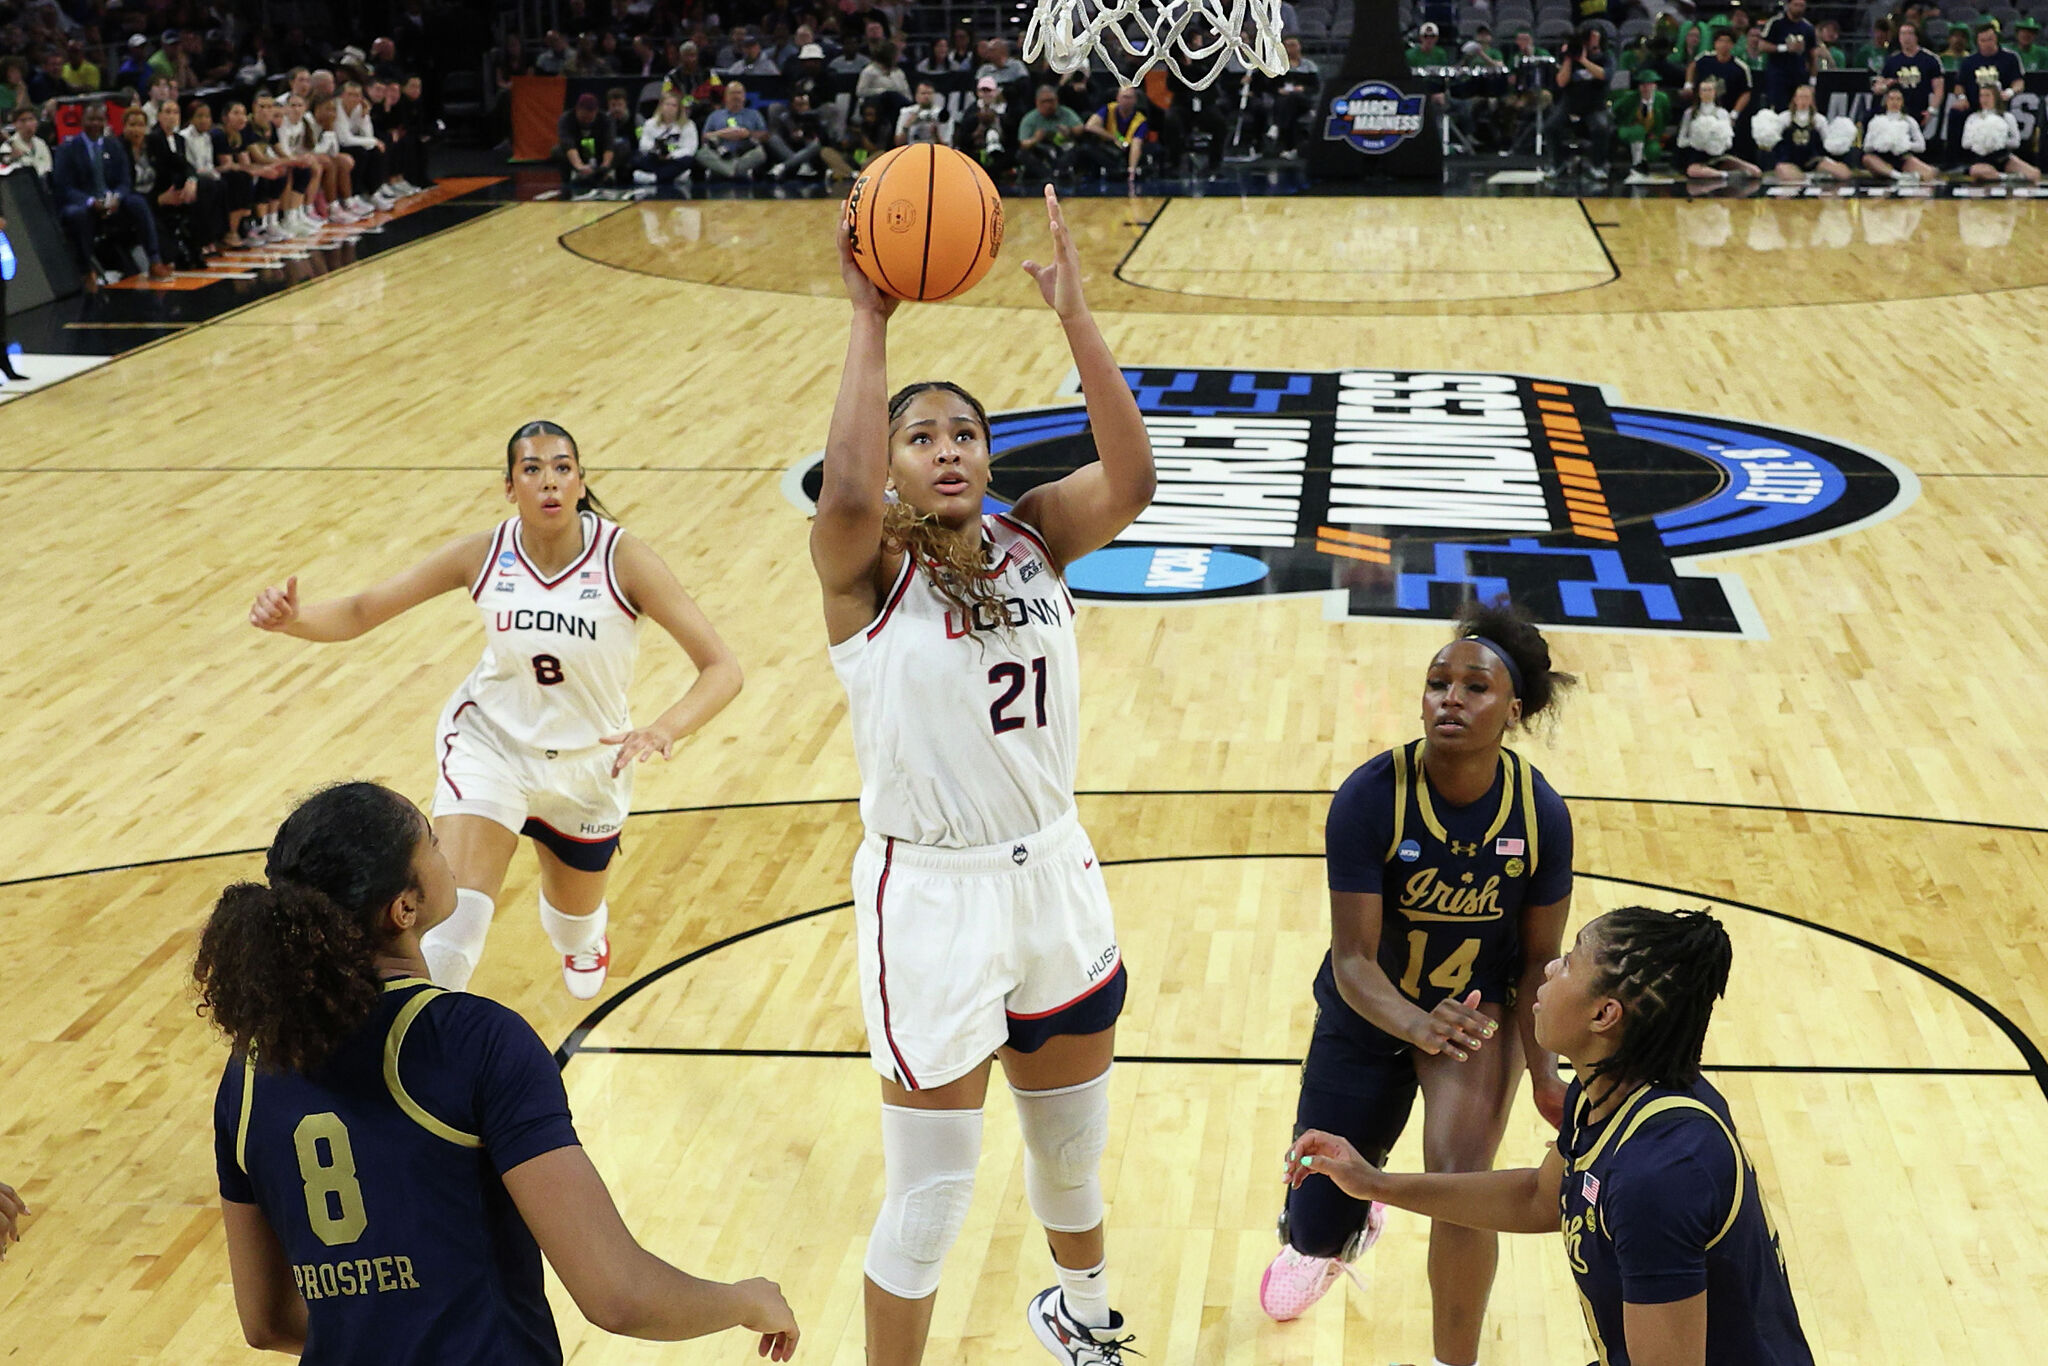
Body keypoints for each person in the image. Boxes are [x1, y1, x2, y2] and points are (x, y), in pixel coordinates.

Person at [813, 186, 1156, 1366]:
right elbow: (847, 492)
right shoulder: (859, 570)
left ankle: (1085, 1315)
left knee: (1069, 1148)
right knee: (932, 1193)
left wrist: (1074, 316)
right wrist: (869, 317)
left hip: (1051, 871)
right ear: (894, 464)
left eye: (964, 432)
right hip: (933, 897)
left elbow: (1133, 476)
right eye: (921, 436)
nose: (947, 448)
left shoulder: (1035, 535)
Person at [196, 782, 799, 1362]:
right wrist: (745, 1300)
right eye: (430, 842)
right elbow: (617, 1296)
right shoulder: (475, 1041)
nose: (445, 853)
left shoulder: (249, 1071)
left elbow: (267, 1321)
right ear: (403, 908)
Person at [247, 423, 742, 999]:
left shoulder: (624, 559)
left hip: (589, 763)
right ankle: (419, 1045)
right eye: (532, 469)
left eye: (562, 467)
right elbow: (363, 610)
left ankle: (584, 940)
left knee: (572, 924)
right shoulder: (484, 554)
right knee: (454, 932)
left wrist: (663, 727)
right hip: (492, 744)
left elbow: (722, 669)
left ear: (581, 482)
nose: (549, 481)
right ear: (510, 486)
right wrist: (294, 621)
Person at [1286, 907, 1815, 1366]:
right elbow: (1539, 1198)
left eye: (1571, 961)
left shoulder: (1660, 1175)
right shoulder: (1608, 1093)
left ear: (1604, 1015)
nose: (1549, 968)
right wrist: (1373, 1183)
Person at [1258, 602, 1575, 1365]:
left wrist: (1543, 1069)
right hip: (1370, 1012)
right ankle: (1334, 1234)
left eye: (1474, 687)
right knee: (1314, 1219)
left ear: (1514, 708)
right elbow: (1354, 961)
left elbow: (1539, 960)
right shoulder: (1372, 797)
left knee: (1463, 1188)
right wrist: (1413, 1024)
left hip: (1475, 1018)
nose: (1450, 700)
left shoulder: (1540, 814)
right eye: (1438, 683)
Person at [51, 102, 174, 289]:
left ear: (106, 122)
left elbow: (124, 181)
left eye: (99, 119)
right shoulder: (68, 149)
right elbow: (64, 187)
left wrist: (116, 197)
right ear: (82, 121)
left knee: (137, 202)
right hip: (83, 203)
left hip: (111, 201)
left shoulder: (113, 146)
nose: (95, 123)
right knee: (77, 215)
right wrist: (91, 202)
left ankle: (155, 261)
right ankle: (86, 272)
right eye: (91, 119)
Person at [1548, 24, 1614, 177]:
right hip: (1570, 102)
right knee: (1551, 126)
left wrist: (1583, 60)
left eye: (1595, 38)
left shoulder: (1606, 56)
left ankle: (1598, 165)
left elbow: (1604, 75)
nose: (1591, 41)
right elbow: (1561, 82)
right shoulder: (1572, 54)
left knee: (1601, 127)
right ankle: (1557, 164)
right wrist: (1569, 59)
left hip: (1595, 104)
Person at [1673, 77, 1762, 177]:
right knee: (1693, 171)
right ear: (1699, 93)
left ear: (1715, 92)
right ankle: (1725, 175)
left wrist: (1716, 143)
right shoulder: (1690, 113)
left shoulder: (1722, 113)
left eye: (1710, 90)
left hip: (1718, 155)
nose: (1707, 93)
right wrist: (1697, 142)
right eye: (1704, 90)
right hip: (1696, 155)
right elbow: (1680, 141)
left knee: (1755, 171)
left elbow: (1728, 142)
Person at [1765, 83, 1852, 181]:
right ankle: (1803, 179)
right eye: (1800, 97)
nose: (1803, 101)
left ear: (1811, 100)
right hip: (1789, 161)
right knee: (1786, 173)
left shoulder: (1819, 120)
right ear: (1795, 99)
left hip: (1813, 160)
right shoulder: (1784, 118)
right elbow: (1772, 141)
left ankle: (1809, 177)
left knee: (1844, 174)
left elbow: (1828, 144)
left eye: (1806, 97)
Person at [1878, 21, 1944, 138]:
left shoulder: (1930, 59)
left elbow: (1938, 89)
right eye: (1902, 34)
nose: (1906, 38)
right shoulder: (1892, 60)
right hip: (1896, 109)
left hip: (1920, 109)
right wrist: (1885, 85)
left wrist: (1931, 110)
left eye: (1910, 34)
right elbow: (1879, 86)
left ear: (1917, 36)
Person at [1961, 84, 2039, 181]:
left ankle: (2002, 175)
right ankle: (2006, 177)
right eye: (1981, 96)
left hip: (2004, 158)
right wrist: (1981, 140)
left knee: (2034, 174)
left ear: (1996, 97)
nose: (1984, 99)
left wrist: (1999, 141)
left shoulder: (2007, 117)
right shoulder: (1973, 118)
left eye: (1988, 95)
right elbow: (1965, 143)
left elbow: (2016, 142)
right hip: (1983, 160)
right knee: (1976, 172)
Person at [1862, 83, 1939, 178]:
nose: (1895, 102)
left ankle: (1906, 175)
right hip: (1880, 159)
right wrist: (1881, 144)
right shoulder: (1876, 120)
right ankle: (1898, 176)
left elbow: (1921, 146)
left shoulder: (1909, 120)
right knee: (1867, 159)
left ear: (1902, 102)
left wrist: (1904, 144)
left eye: (1898, 99)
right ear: (1886, 101)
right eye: (1891, 99)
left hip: (1901, 158)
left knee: (1931, 172)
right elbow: (1866, 147)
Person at [697, 81, 769, 179]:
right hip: (721, 155)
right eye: (732, 93)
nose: (736, 96)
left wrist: (748, 134)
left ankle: (725, 171)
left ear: (744, 96)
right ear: (725, 97)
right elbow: (704, 137)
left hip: (745, 155)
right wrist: (721, 133)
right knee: (701, 153)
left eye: (739, 93)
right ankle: (734, 172)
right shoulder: (715, 115)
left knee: (760, 153)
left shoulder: (754, 114)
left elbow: (765, 135)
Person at [1757, 0, 1818, 109]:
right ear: (1789, 5)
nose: (1798, 8)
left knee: (1800, 109)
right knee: (1779, 108)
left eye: (1801, 5)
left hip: (1799, 75)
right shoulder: (1776, 22)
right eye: (1796, 5)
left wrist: (1813, 81)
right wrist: (1785, 48)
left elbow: (1813, 55)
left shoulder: (1808, 27)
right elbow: (1762, 45)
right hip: (1778, 76)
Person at [1077, 86, 1148, 179]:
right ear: (1117, 98)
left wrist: (1132, 170)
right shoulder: (1109, 109)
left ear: (1135, 100)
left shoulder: (1140, 120)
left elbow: (1136, 145)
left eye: (1129, 97)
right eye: (1124, 97)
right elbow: (1090, 126)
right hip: (1109, 148)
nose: (1126, 100)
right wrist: (1113, 138)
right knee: (1086, 148)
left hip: (1126, 152)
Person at [1018, 84, 1084, 182]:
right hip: (1042, 153)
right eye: (1044, 102)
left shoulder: (1065, 113)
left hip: (1062, 150)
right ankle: (1048, 176)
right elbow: (1023, 143)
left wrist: (1069, 131)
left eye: (1051, 101)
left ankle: (1061, 173)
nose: (1048, 105)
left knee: (1080, 149)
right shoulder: (1029, 119)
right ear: (1037, 102)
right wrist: (1036, 139)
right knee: (1022, 154)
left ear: (1057, 100)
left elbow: (1080, 128)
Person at [634, 91, 699, 188]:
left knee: (689, 160)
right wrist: (657, 151)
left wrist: (671, 155)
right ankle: (673, 176)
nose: (670, 108)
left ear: (679, 109)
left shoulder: (688, 125)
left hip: (676, 159)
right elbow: (643, 144)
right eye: (667, 104)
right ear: (661, 106)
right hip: (656, 157)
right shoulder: (650, 123)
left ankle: (654, 178)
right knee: (636, 158)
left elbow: (690, 149)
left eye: (674, 105)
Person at [555, 92, 616, 190]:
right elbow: (568, 145)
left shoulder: (605, 119)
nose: (587, 121)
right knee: (557, 150)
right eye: (584, 118)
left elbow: (609, 144)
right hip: (577, 155)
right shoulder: (566, 119)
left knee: (622, 146)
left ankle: (607, 175)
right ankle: (572, 175)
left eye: (590, 118)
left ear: (596, 112)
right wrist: (579, 166)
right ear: (577, 110)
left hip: (599, 154)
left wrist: (605, 166)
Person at [1690, 27, 1753, 115]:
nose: (1724, 44)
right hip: (1700, 109)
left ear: (1732, 45)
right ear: (1715, 43)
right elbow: (1692, 66)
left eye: (1727, 41)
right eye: (1720, 41)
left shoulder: (1741, 68)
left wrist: (1734, 113)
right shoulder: (1704, 58)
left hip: (1726, 111)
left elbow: (1746, 93)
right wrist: (1688, 84)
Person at [4, 106, 51, 177]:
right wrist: (11, 158)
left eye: (31, 119)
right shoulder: (7, 146)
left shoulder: (41, 143)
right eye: (23, 120)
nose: (28, 124)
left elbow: (49, 166)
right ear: (14, 124)